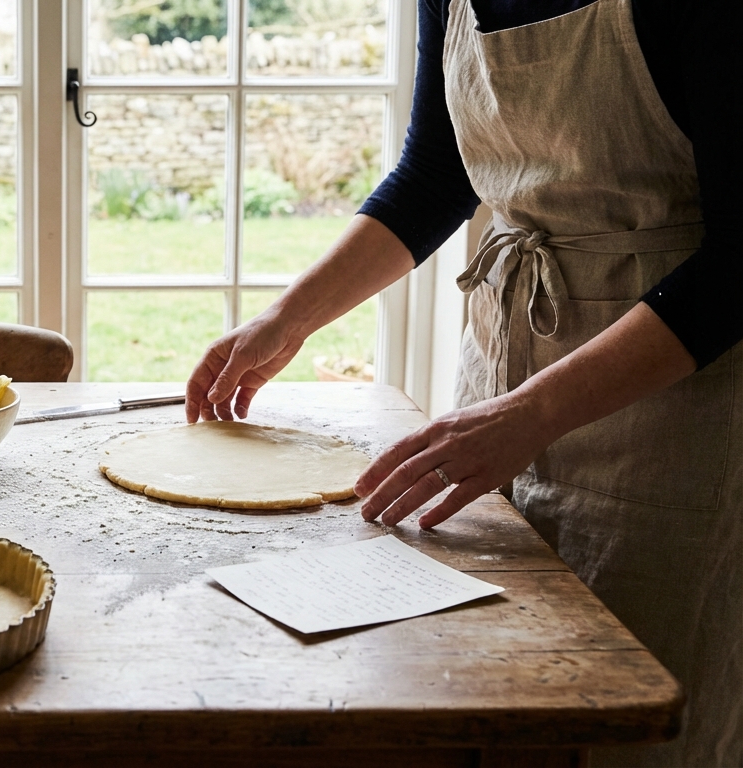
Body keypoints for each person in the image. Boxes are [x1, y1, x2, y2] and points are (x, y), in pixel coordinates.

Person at [184, 1, 740, 765]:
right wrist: (289, 317)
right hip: (501, 372)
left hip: (668, 408)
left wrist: (531, 413)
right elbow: (434, 176)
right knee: (484, 685)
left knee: (632, 718)